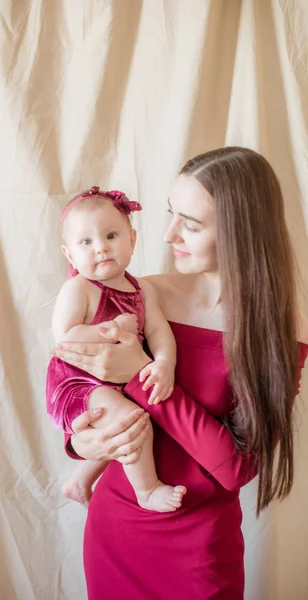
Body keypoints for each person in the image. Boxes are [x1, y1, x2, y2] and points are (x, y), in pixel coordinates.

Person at [51, 147, 308, 600]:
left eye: (190, 224)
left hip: (201, 547)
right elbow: (86, 388)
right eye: (172, 214)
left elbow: (235, 467)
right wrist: (81, 441)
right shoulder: (143, 295)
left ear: (240, 232)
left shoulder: (281, 333)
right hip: (119, 527)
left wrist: (144, 376)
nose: (169, 235)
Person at [46, 186, 186, 512]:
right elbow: (65, 338)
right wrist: (109, 330)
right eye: (86, 242)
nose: (101, 248)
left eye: (111, 235)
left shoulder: (142, 289)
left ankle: (79, 481)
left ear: (132, 240)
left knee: (125, 419)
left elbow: (157, 330)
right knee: (130, 420)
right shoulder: (78, 288)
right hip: (79, 382)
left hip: (119, 379)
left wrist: (164, 362)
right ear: (70, 255)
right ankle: (147, 490)